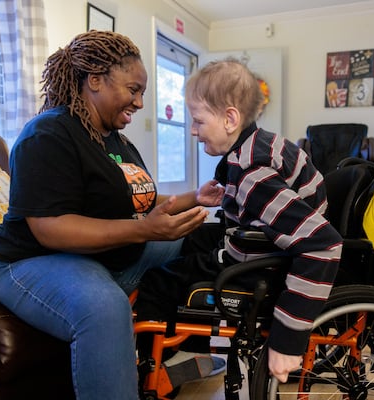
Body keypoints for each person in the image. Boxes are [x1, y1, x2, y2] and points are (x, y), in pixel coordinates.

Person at [0, 31, 224, 400]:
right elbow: (52, 230)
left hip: (104, 258)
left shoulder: (115, 140)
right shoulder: (47, 135)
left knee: (199, 240)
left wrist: (196, 197)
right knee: (105, 307)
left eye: (142, 93)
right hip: (31, 260)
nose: (140, 102)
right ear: (95, 80)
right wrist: (145, 231)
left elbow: (145, 201)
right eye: (133, 89)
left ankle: (164, 357)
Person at [134, 58, 342, 390]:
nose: (191, 130)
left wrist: (288, 340)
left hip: (263, 261)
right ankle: (194, 350)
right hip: (263, 241)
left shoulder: (252, 175)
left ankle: (149, 375)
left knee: (158, 281)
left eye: (198, 120)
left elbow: (323, 245)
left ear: (230, 118)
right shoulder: (256, 147)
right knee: (190, 238)